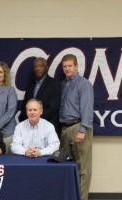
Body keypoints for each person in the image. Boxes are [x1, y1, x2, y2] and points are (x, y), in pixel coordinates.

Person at [60, 54, 93, 200]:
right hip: (65, 129)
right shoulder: (63, 84)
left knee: (83, 169)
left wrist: (82, 129)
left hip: (78, 127)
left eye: (70, 66)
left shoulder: (83, 83)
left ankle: (82, 198)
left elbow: (87, 108)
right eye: (65, 66)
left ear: (76, 67)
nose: (67, 68)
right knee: (66, 166)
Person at [18, 57, 61, 136]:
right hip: (29, 129)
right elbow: (25, 106)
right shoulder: (30, 85)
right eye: (35, 66)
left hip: (47, 129)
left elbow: (52, 109)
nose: (38, 69)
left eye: (40, 66)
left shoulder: (55, 84)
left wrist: (34, 119)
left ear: (46, 68)